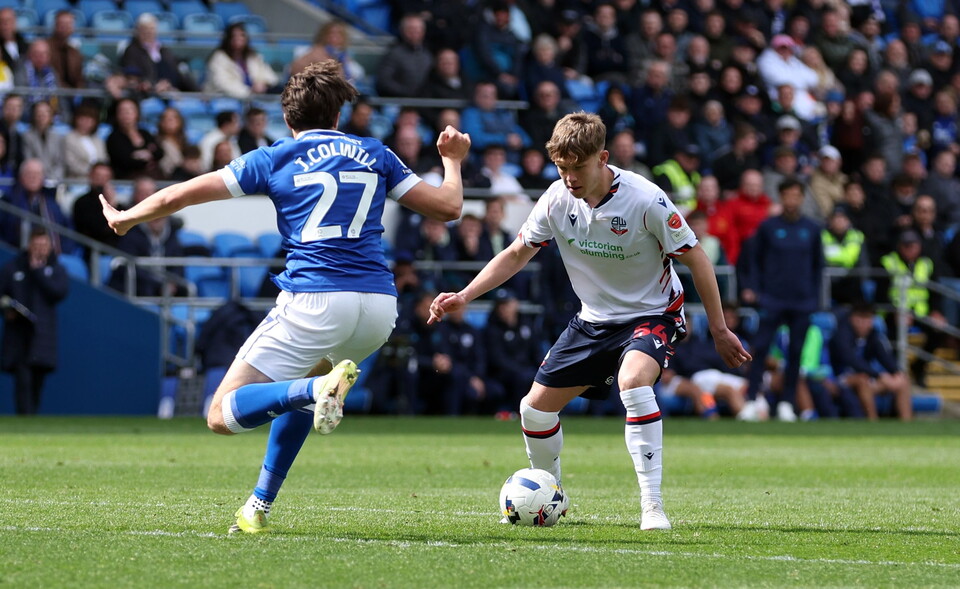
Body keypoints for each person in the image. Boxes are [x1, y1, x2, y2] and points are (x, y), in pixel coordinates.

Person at [100, 60, 471, 534]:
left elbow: (184, 195)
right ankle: (259, 505)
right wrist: (454, 160)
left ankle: (319, 391)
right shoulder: (376, 152)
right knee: (301, 384)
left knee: (221, 412)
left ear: (288, 118)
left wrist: (127, 216)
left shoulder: (275, 156)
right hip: (379, 308)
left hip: (317, 299)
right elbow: (450, 207)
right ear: (338, 116)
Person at [428, 112, 749, 530]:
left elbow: (697, 258)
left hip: (651, 314)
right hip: (593, 321)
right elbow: (516, 253)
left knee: (634, 383)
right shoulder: (556, 199)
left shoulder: (645, 199)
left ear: (603, 157)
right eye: (561, 168)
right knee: (533, 412)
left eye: (577, 167)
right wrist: (465, 295)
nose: (569, 178)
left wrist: (720, 328)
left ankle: (652, 507)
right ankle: (550, 496)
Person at [738, 177, 824, 422]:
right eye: (787, 195)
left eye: (796, 195)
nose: (792, 199)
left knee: (795, 353)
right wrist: (754, 288)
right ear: (781, 197)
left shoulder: (813, 229)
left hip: (802, 301)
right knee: (761, 349)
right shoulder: (768, 227)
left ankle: (787, 403)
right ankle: (752, 399)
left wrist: (814, 298)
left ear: (802, 198)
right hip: (772, 299)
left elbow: (819, 267)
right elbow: (754, 261)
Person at [0, 228, 69, 415]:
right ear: (29, 245)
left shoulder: (56, 269)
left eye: (44, 245)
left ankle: (32, 418)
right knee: (22, 381)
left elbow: (59, 292)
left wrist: (38, 272)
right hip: (19, 335)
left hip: (42, 335)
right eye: (36, 244)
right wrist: (7, 310)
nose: (40, 249)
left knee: (37, 382)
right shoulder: (12, 267)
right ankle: (25, 417)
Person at [830, 303, 913, 421]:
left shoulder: (873, 335)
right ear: (852, 318)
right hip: (840, 378)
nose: (863, 324)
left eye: (867, 319)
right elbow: (850, 360)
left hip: (868, 377)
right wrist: (878, 375)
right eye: (860, 319)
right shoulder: (841, 334)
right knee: (863, 380)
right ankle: (873, 421)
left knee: (903, 380)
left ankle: (907, 423)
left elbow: (885, 357)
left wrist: (896, 372)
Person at [203, 23, 280, 99]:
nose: (238, 38)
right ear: (228, 39)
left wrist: (263, 84)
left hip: (255, 97)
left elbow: (269, 75)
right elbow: (223, 84)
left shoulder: (253, 56)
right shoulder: (218, 58)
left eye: (242, 35)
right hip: (226, 98)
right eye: (234, 36)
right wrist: (249, 91)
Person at [63, 104, 107, 179]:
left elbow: (104, 159)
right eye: (83, 118)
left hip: (100, 180)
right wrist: (93, 173)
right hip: (78, 179)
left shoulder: (97, 140)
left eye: (90, 119)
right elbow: (71, 163)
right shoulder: (69, 138)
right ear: (76, 119)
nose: (86, 122)